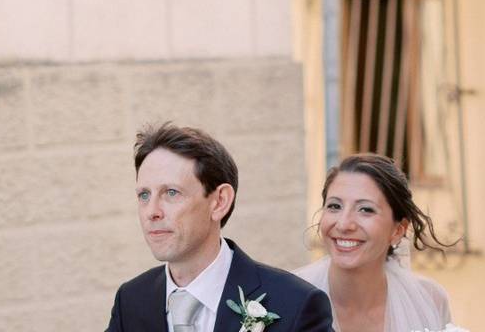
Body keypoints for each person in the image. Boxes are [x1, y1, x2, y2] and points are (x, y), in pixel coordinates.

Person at [106, 123, 333, 332]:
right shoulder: (130, 301)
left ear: (219, 201)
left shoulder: (295, 304)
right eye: (144, 195)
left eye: (171, 193)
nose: (151, 211)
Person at [294, 154, 453, 332]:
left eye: (366, 209)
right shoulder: (289, 297)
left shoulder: (430, 301)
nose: (344, 224)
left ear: (398, 230)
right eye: (334, 206)